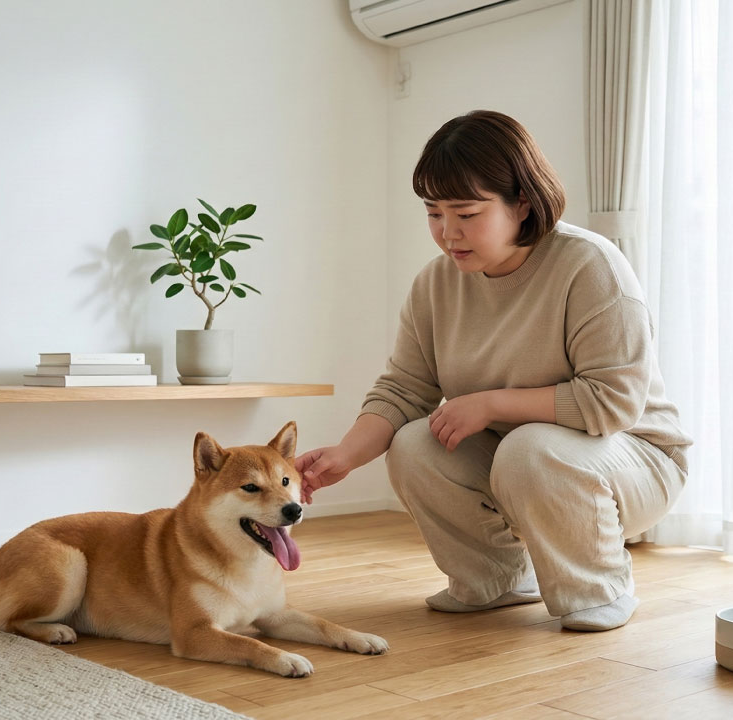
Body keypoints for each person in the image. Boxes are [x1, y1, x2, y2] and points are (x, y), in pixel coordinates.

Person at [294, 110, 693, 632]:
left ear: (521, 203)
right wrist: (345, 455)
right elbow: (404, 388)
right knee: (416, 443)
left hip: (632, 459)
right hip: (521, 462)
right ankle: (495, 579)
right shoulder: (435, 284)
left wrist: (492, 404)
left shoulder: (590, 265)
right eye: (434, 213)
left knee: (529, 448)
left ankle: (597, 587)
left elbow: (613, 402)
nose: (446, 233)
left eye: (466, 213)